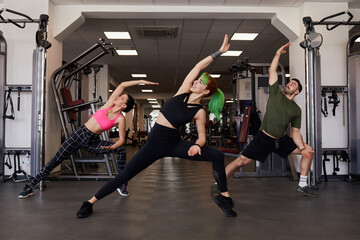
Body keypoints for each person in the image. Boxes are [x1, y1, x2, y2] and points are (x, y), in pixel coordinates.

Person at [76, 34, 237, 218]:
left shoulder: (199, 111)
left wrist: (196, 145)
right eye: (197, 79)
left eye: (200, 82)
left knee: (217, 155)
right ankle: (89, 202)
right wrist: (219, 53)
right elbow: (198, 66)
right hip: (153, 145)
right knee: (125, 175)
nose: (195, 81)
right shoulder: (182, 92)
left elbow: (201, 137)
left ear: (206, 91)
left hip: (174, 144)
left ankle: (224, 197)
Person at [18, 79, 158, 199]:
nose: (118, 97)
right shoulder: (108, 104)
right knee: (55, 161)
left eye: (122, 98)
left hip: (92, 141)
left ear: (124, 105)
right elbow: (122, 85)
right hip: (79, 135)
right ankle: (30, 186)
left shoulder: (120, 119)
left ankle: (121, 183)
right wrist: (141, 81)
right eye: (120, 96)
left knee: (121, 149)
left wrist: (113, 147)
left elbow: (122, 140)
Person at [214, 43, 317, 197]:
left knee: (309, 150)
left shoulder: (296, 110)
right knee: (240, 161)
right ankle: (218, 185)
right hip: (264, 138)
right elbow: (272, 71)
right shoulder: (276, 93)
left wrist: (302, 148)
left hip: (281, 140)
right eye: (289, 83)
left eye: (292, 84)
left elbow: (295, 132)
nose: (288, 84)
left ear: (297, 91)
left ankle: (302, 184)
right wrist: (277, 54)